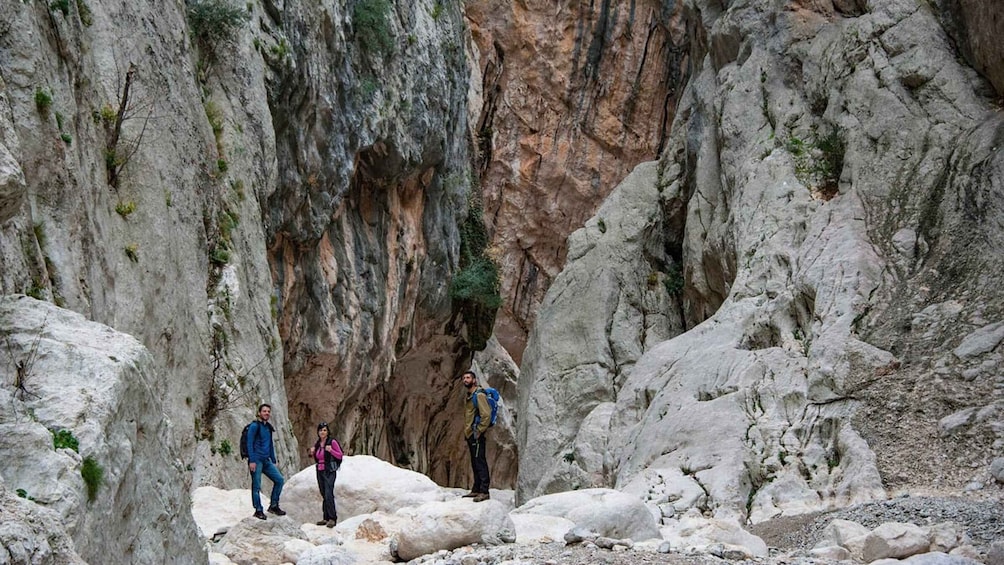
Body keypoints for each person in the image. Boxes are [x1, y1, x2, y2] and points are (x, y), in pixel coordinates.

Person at [247, 403, 286, 520]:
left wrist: (273, 459)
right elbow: (249, 443)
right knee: (257, 486)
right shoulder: (254, 426)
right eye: (264, 411)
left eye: (268, 411)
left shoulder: (268, 427)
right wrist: (252, 460)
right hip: (256, 460)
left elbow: (270, 445)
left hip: (266, 460)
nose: (267, 413)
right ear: (259, 413)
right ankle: (258, 510)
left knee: (279, 480)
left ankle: (274, 505)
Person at [461, 370, 491, 502]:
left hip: (476, 434)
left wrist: (479, 431)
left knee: (480, 462)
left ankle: (484, 491)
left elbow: (486, 415)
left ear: (474, 380)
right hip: (471, 435)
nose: (465, 380)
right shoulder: (470, 396)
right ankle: (476, 489)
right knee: (474, 462)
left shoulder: (479, 395)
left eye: (468, 378)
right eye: (464, 378)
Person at [311, 421, 343, 527]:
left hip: (329, 470)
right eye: (320, 430)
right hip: (320, 470)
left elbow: (340, 455)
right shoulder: (318, 443)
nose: (322, 432)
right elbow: (317, 457)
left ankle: (332, 518)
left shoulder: (332, 442)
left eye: (324, 430)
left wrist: (331, 451)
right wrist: (312, 452)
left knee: (329, 494)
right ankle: (326, 517)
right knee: (324, 493)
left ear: (328, 432)